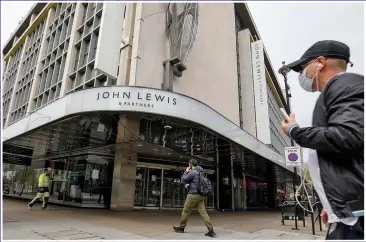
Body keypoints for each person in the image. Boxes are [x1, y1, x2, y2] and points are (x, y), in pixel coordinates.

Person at [281, 40, 364, 240]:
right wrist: (331, 205)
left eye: (302, 68)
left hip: (357, 217)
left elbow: (350, 136)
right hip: (346, 213)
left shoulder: (345, 86)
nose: (302, 75)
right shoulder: (339, 89)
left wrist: (295, 131)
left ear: (320, 62)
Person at [173, 159, 216, 237]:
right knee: (204, 213)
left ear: (191, 165)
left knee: (186, 211)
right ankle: (211, 230)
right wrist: (189, 185)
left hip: (193, 194)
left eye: (189, 164)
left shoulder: (193, 172)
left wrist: (186, 171)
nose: (188, 165)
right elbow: (197, 182)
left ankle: (181, 228)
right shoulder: (201, 172)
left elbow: (184, 179)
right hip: (201, 195)